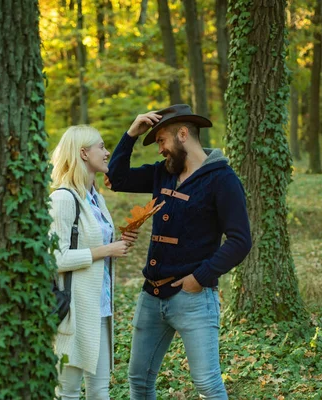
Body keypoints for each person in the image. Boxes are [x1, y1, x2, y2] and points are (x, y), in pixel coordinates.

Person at [105, 104, 252, 399]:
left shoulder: (222, 180)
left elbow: (240, 240)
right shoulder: (164, 173)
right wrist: (132, 134)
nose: (160, 149)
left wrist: (200, 277)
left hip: (194, 298)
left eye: (162, 141)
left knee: (208, 385)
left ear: (183, 134)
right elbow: (117, 179)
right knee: (139, 379)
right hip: (151, 297)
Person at [49, 125, 139, 400]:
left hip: (100, 310)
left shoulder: (96, 198)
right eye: (101, 146)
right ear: (84, 153)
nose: (107, 151)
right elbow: (55, 258)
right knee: (68, 393)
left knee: (100, 392)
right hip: (73, 314)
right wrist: (105, 250)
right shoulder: (62, 199)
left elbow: (95, 243)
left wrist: (119, 242)